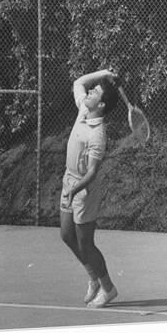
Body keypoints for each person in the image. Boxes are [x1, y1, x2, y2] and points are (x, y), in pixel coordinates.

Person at [60, 69, 120, 308]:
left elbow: (92, 172)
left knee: (86, 243)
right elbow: (79, 81)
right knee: (66, 235)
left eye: (95, 92)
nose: (90, 91)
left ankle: (108, 288)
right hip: (69, 180)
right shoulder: (83, 109)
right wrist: (104, 73)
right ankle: (93, 277)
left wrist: (76, 190)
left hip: (85, 189)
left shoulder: (98, 134)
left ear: (101, 104)